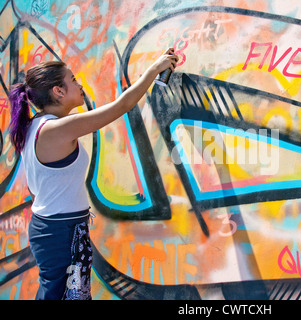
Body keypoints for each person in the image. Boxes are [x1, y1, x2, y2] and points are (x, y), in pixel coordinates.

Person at [8, 48, 179, 300]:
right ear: (58, 91)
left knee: (62, 294)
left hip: (57, 228)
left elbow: (38, 188)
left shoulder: (35, 127)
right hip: (60, 232)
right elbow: (121, 106)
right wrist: (154, 69)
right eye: (73, 80)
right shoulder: (56, 129)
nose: (79, 84)